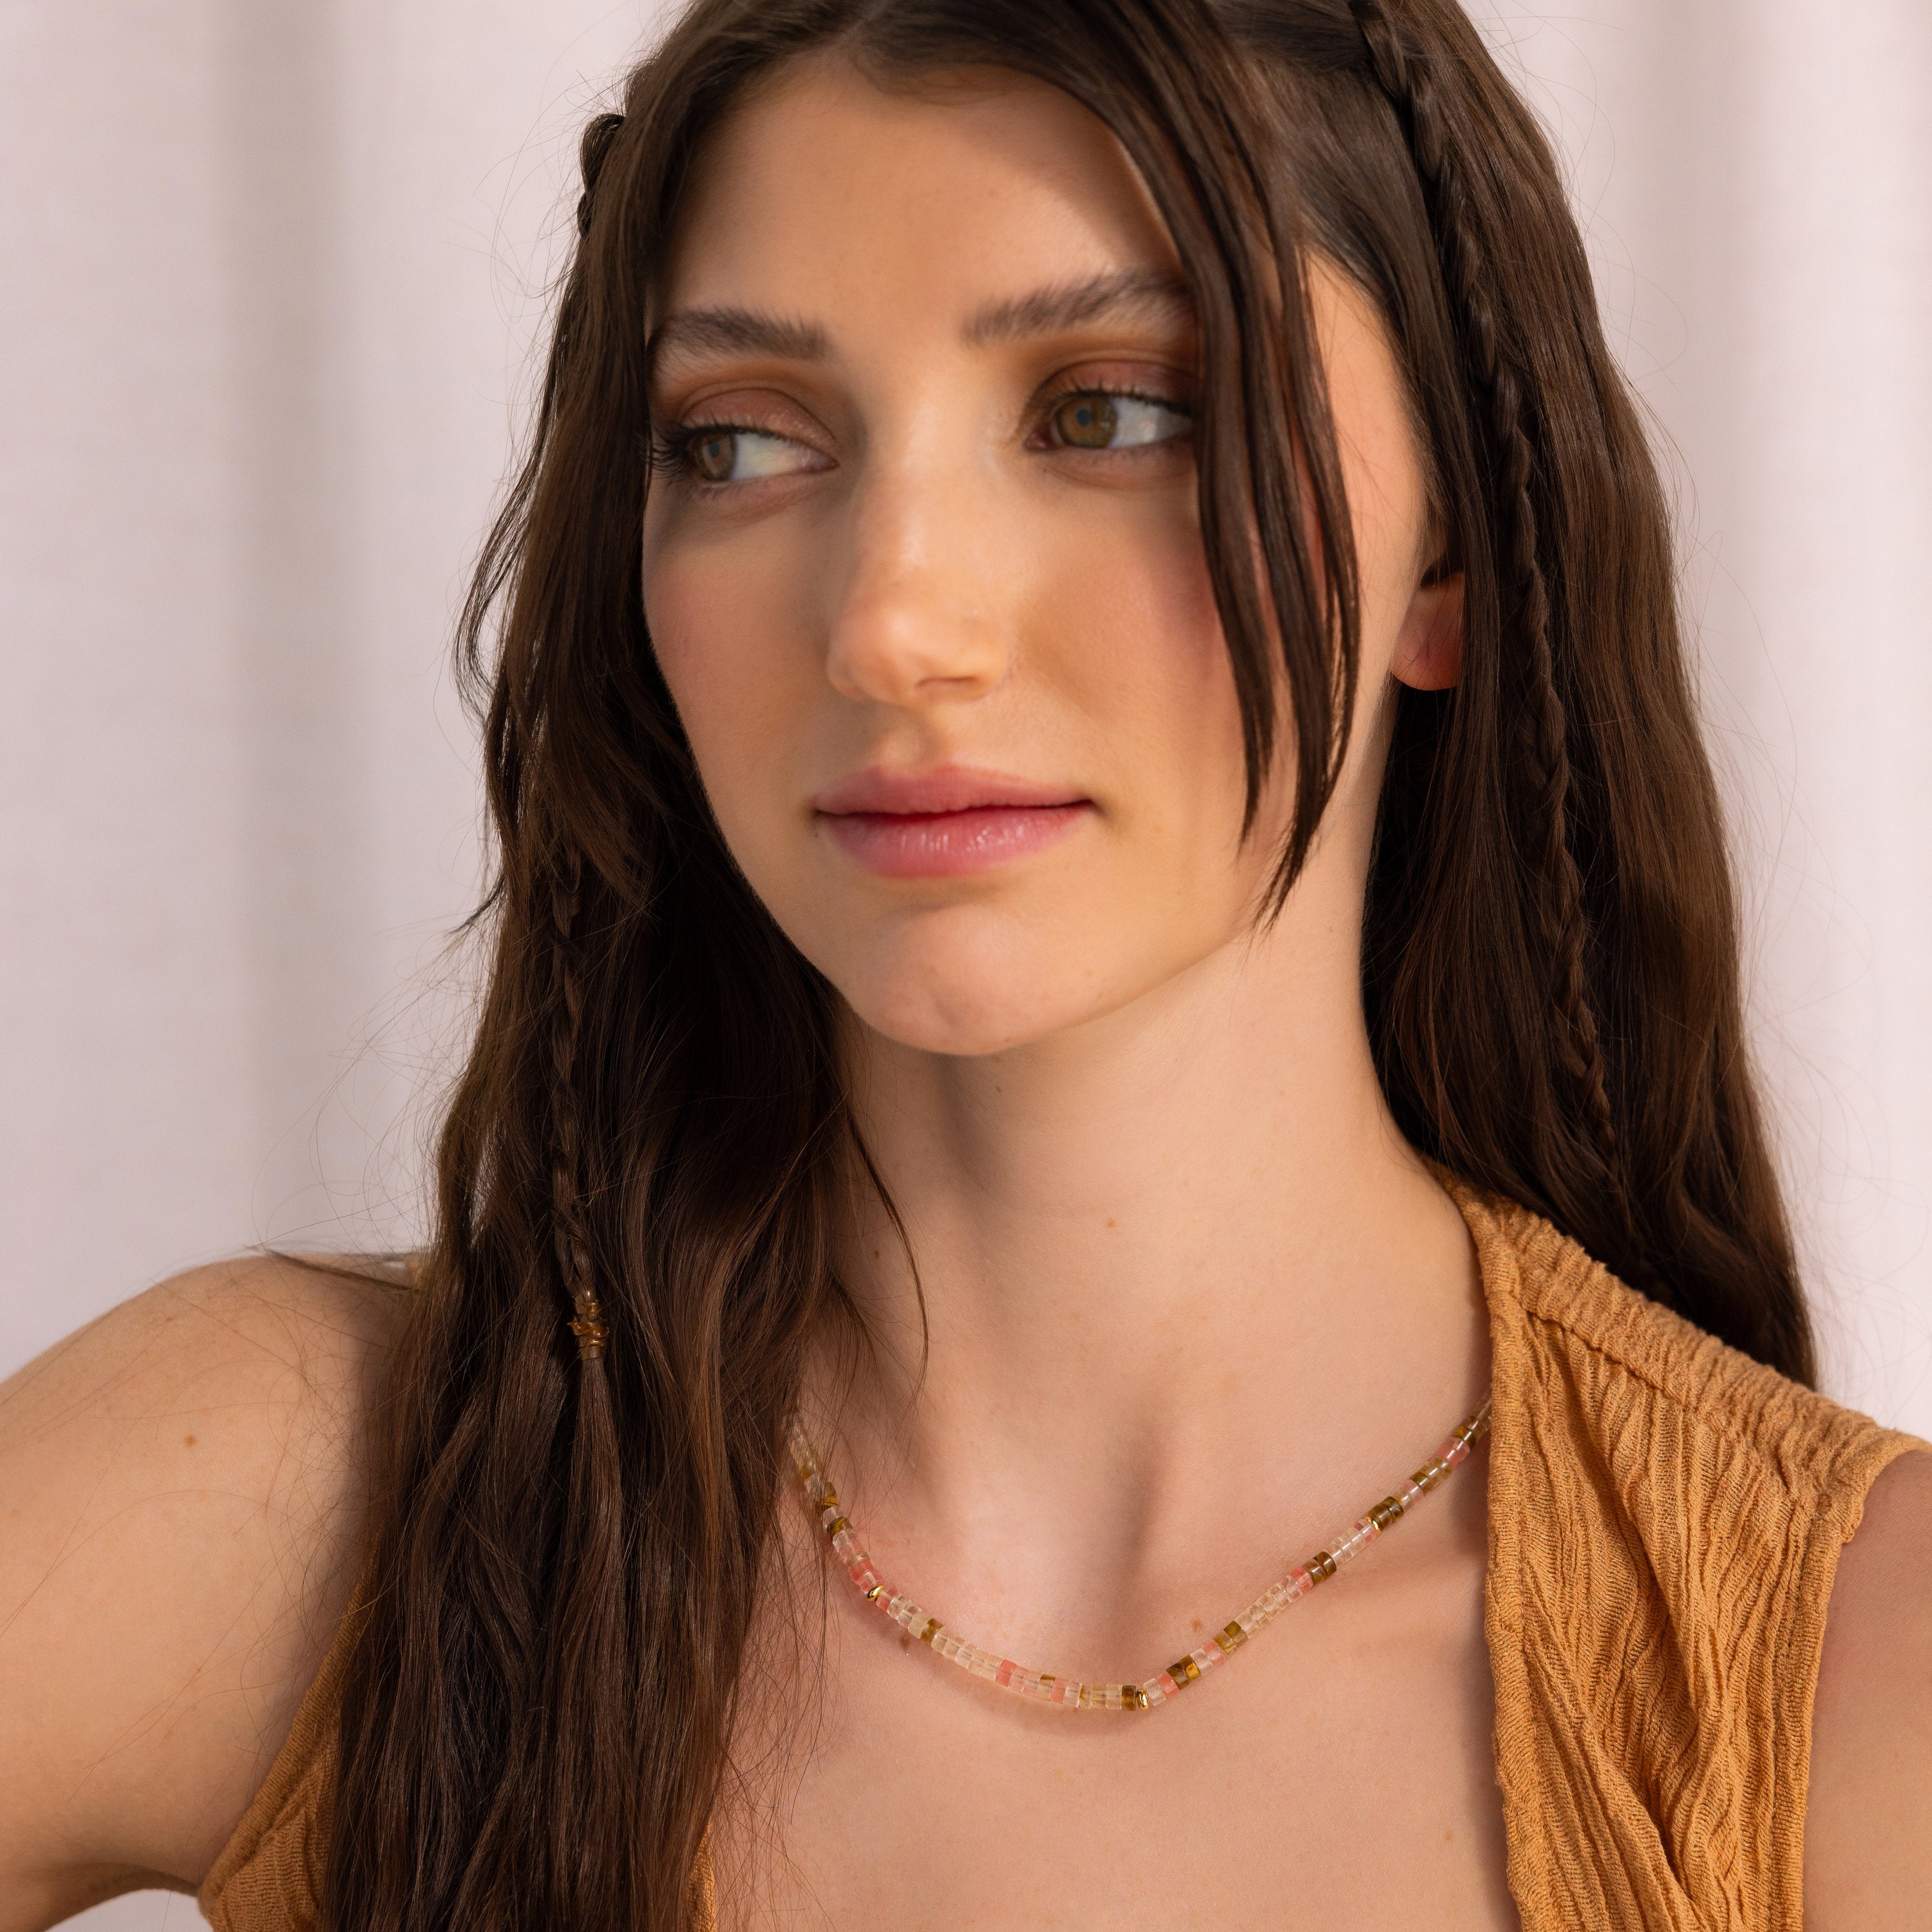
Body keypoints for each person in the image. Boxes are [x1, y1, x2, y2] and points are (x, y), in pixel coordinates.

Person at [2, 0, 1927, 1926]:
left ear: (1453, 555)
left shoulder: (1852, 1686)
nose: (891, 623)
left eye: (1109, 412)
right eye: (742, 441)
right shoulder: (295, 1509)